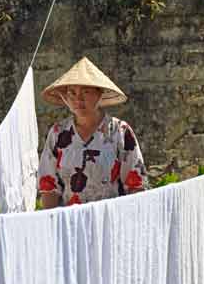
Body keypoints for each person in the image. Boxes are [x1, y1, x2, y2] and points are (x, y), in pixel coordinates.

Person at [38, 57, 147, 209]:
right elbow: (49, 186)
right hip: (69, 224)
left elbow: (136, 185)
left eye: (86, 91)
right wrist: (51, 223)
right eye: (72, 93)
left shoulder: (119, 132)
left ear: (100, 93)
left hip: (111, 221)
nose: (78, 99)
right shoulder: (58, 134)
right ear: (65, 97)